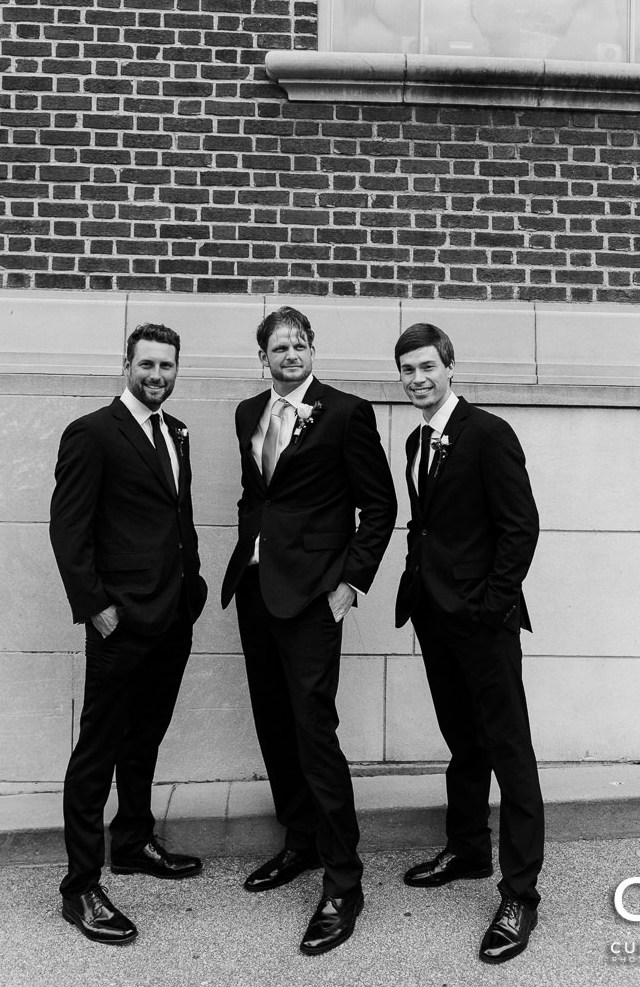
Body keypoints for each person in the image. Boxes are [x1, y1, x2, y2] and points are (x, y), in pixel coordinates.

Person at [221, 306, 397, 956]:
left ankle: (344, 883)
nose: (289, 355)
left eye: (298, 345)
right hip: (257, 594)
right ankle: (299, 840)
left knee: (313, 731)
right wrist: (247, 551)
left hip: (314, 600)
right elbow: (254, 495)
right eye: (278, 347)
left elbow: (379, 504)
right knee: (274, 723)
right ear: (262, 357)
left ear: (312, 350)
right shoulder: (247, 413)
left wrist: (350, 583)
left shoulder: (346, 413)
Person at [49, 322, 208, 945]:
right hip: (120, 621)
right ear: (127, 363)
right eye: (147, 364)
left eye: (167, 366)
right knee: (97, 751)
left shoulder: (178, 431)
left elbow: (176, 517)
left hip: (172, 617)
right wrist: (95, 607)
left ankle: (134, 840)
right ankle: (81, 887)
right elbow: (69, 530)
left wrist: (191, 589)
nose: (157, 376)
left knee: (146, 738)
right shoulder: (92, 433)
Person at [393, 322, 544, 965]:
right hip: (434, 614)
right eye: (407, 370)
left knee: (508, 748)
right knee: (463, 739)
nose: (418, 379)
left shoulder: (488, 433)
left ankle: (520, 893)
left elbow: (521, 527)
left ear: (451, 367)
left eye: (427, 366)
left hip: (482, 620)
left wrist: (490, 606)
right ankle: (467, 847)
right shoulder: (415, 439)